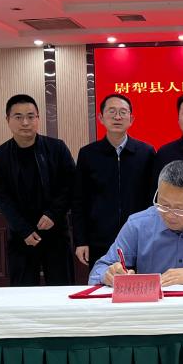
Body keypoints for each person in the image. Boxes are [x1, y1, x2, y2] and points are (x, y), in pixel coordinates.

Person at [0, 94, 76, 285]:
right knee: (23, 291)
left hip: (55, 231)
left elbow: (70, 185)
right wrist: (24, 230)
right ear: (8, 120)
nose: (25, 122)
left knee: (61, 289)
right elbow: (2, 198)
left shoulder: (57, 148)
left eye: (30, 116)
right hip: (21, 235)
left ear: (38, 118)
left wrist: (53, 214)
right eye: (18, 117)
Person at [72, 93, 155, 268]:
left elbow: (153, 199)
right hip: (99, 240)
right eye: (112, 111)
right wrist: (81, 240)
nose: (117, 117)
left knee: (141, 284)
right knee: (103, 283)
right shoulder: (88, 154)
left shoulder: (146, 153)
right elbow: (79, 201)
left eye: (123, 112)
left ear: (131, 119)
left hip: (139, 238)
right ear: (101, 118)